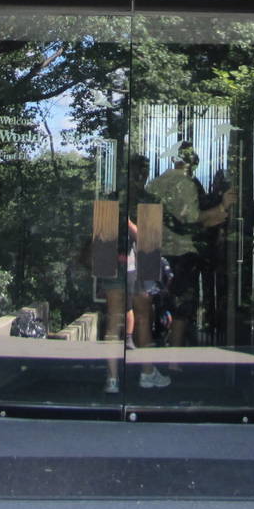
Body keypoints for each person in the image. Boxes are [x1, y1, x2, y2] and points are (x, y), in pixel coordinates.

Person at [146, 141, 235, 351]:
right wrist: (222, 207)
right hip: (181, 253)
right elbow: (194, 220)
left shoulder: (154, 183)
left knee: (156, 304)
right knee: (181, 308)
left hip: (154, 251)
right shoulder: (185, 184)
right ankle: (174, 360)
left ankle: (150, 357)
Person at [99, 154, 168, 393]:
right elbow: (149, 241)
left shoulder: (113, 198)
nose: (142, 175)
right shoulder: (147, 199)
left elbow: (101, 237)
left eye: (144, 170)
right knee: (140, 320)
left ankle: (113, 379)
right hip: (134, 264)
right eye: (140, 170)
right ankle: (145, 373)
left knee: (115, 321)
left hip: (116, 263)